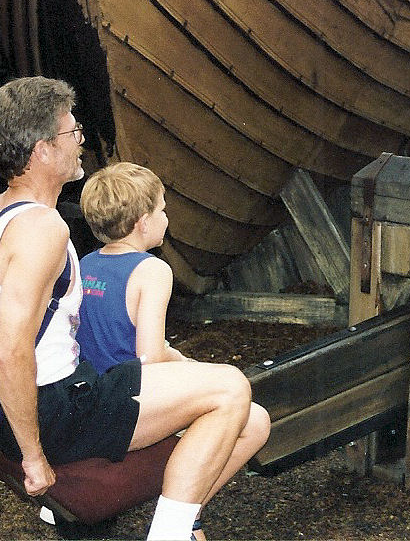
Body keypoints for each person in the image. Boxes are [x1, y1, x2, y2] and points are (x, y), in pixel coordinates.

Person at [0, 76, 269, 541]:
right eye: (72, 133)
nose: (81, 142)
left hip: (30, 401)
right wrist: (33, 456)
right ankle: (170, 536)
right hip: (55, 407)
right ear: (42, 149)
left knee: (251, 418)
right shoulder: (41, 228)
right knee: (232, 386)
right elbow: (8, 352)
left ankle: (163, 520)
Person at [75, 162, 270, 539]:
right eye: (163, 210)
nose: (167, 218)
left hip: (92, 396)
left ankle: (185, 517)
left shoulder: (87, 264)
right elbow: (149, 356)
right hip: (128, 400)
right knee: (244, 413)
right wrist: (185, 362)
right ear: (143, 222)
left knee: (256, 421)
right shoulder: (151, 270)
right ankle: (172, 531)